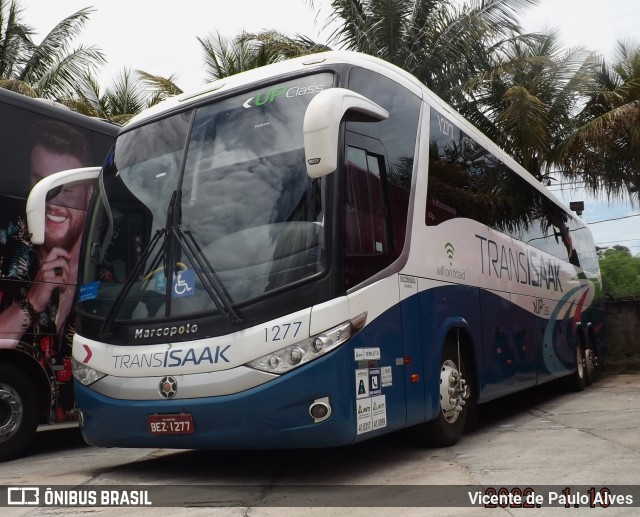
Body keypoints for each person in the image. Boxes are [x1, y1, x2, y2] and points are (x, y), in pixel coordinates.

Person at [0, 120, 91, 418]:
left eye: (62, 190)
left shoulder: (111, 265)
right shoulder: (10, 246)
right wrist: (34, 298)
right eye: (40, 185)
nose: (50, 204)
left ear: (89, 196)